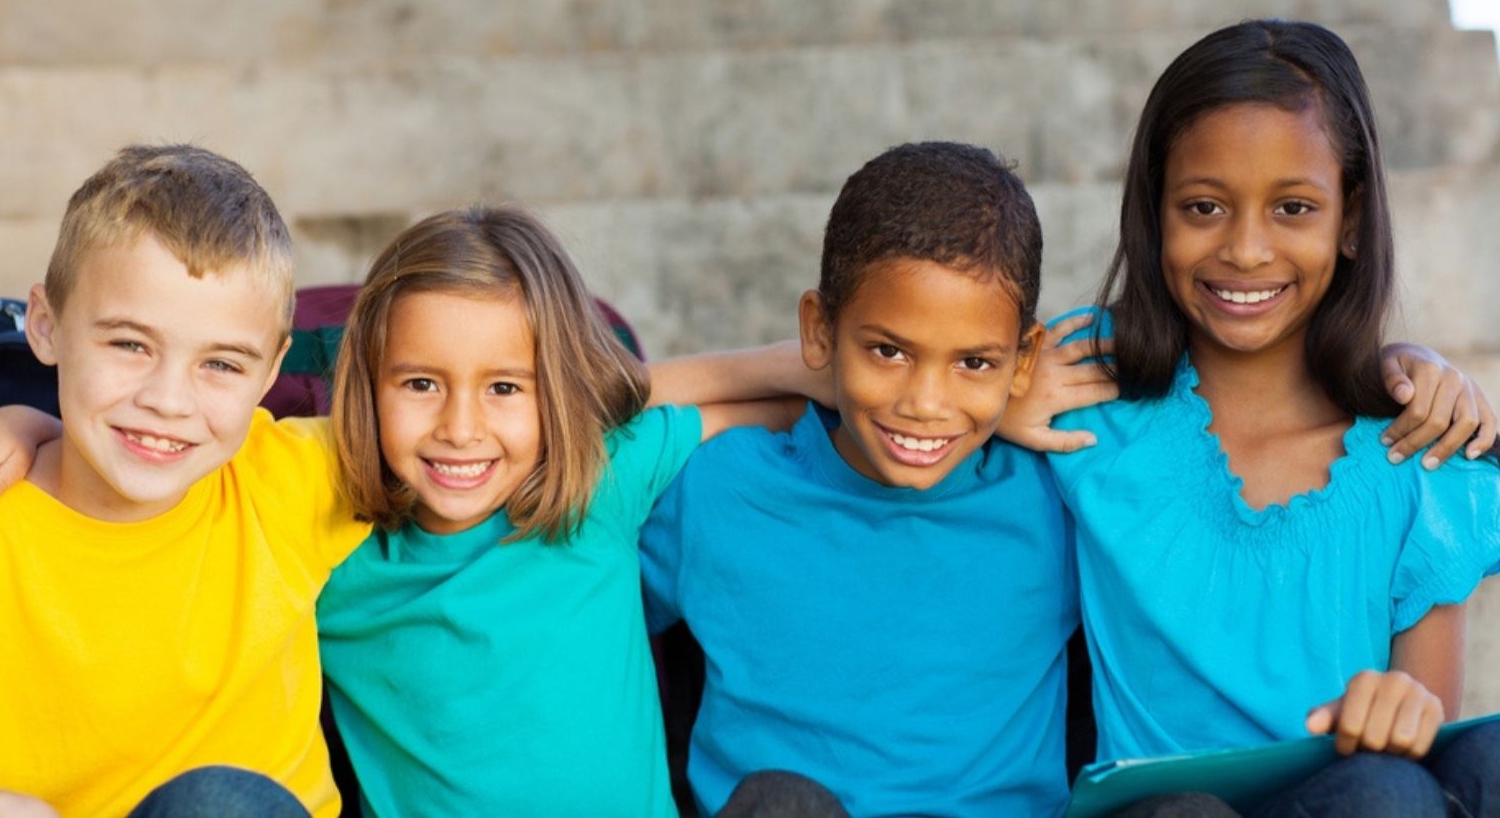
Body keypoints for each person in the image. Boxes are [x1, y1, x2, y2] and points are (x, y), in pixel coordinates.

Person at [1013, 20, 1500, 816]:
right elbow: (884, 374)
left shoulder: (1419, 450)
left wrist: (1404, 709)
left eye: (1293, 208)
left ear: (1350, 219)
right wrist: (994, 397)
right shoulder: (1085, 388)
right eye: (1204, 206)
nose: (1245, 249)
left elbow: (1425, 732)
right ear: (1154, 209)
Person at [0, 145, 371, 816]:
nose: (168, 399)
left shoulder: (293, 475)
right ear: (46, 327)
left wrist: (32, 420)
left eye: (221, 364)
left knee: (217, 803)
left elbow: (471, 430)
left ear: (272, 372)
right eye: (130, 344)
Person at [311, 206, 807, 817]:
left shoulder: (600, 483)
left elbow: (791, 406)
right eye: (421, 384)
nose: (460, 430)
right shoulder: (322, 542)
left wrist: (799, 361)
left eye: (504, 387)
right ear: (368, 385)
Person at [640, 141, 1078, 817]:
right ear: (818, 330)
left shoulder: (1057, 496)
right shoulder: (720, 489)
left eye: (974, 363)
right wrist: (786, 377)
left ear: (1025, 363)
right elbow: (556, 428)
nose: (925, 404)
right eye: (888, 350)